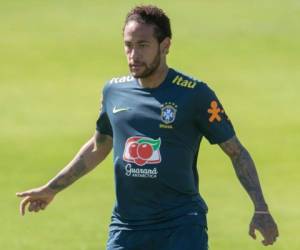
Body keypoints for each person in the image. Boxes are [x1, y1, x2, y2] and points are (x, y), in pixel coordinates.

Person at [16, 5, 279, 250]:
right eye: (128, 46)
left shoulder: (195, 94)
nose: (133, 55)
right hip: (126, 226)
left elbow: (236, 152)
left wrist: (261, 209)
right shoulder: (114, 91)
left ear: (165, 46)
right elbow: (100, 144)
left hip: (181, 225)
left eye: (142, 45)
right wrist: (52, 188)